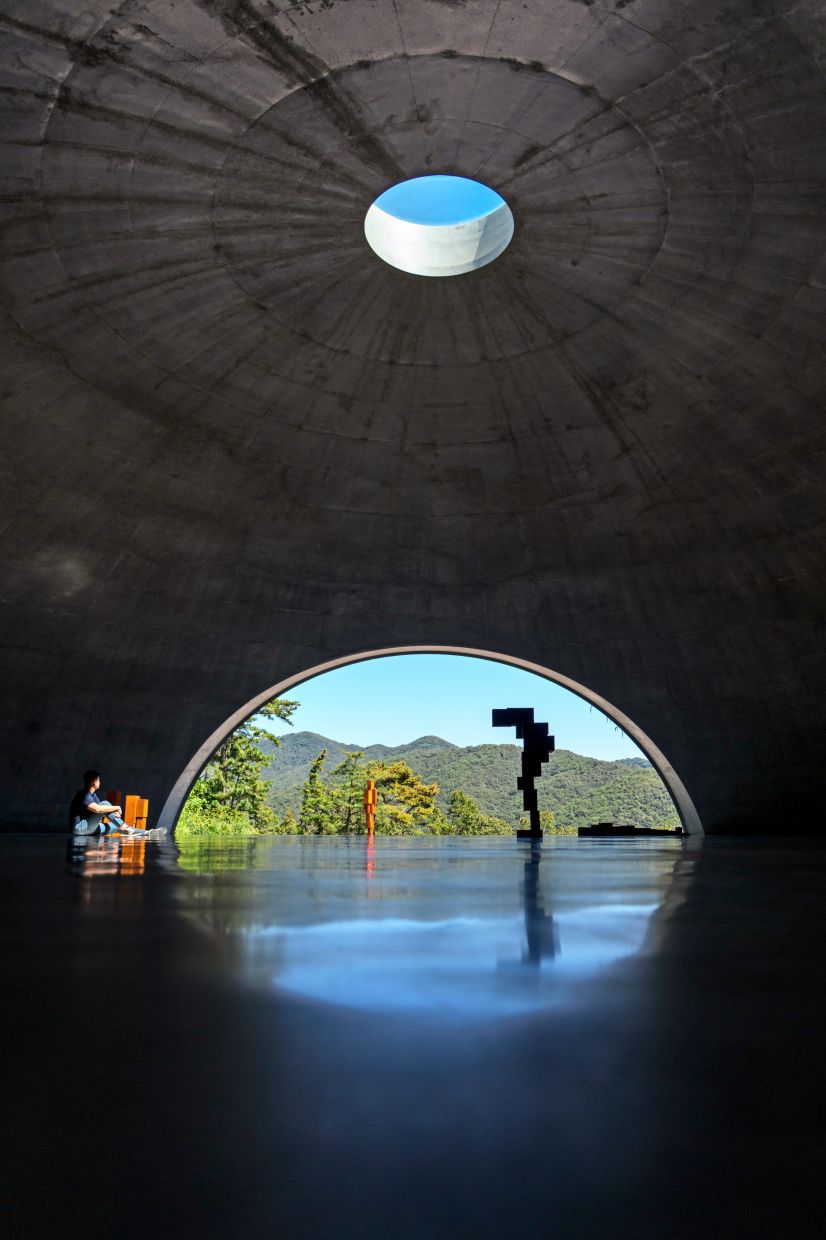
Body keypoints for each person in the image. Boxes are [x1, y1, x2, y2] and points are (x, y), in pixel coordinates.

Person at [68, 770, 144, 836]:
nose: (100, 782)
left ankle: (146, 833)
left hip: (91, 828)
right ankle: (124, 826)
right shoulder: (83, 794)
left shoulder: (94, 796)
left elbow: (103, 811)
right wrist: (117, 808)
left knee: (116, 826)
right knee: (105, 803)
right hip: (80, 828)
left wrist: (113, 812)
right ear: (93, 782)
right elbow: (98, 809)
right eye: (99, 780)